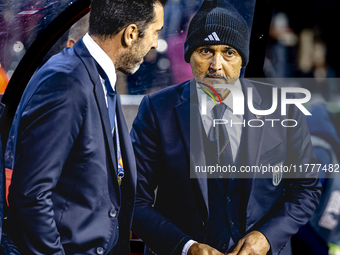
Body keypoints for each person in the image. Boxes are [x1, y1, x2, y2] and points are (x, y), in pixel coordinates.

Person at [130, 0, 322, 254]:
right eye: (206, 51)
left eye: (229, 52)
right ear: (189, 55)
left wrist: (266, 237)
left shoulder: (283, 109)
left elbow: (305, 189)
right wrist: (187, 247)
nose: (216, 65)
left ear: (243, 59)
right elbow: (133, 199)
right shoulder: (156, 110)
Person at [5, 0, 166, 254]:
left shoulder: (97, 76)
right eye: (156, 31)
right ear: (131, 34)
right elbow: (31, 196)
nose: (156, 43)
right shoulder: (67, 80)